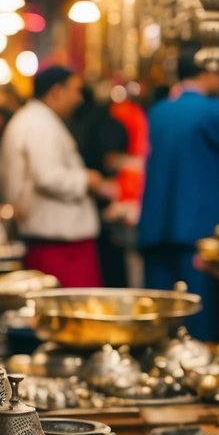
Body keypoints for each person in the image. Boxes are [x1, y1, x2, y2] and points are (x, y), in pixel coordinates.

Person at [139, 46, 219, 341]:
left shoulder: (159, 111)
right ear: (207, 72)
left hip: (158, 227)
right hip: (199, 231)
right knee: (199, 324)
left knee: (160, 318)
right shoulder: (215, 110)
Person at [0, 65, 104, 288]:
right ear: (57, 91)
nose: (80, 99)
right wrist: (88, 180)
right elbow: (48, 177)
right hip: (58, 244)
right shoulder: (39, 123)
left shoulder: (35, 119)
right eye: (76, 90)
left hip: (56, 240)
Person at [69, 86, 130, 288]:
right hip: (100, 197)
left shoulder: (72, 124)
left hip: (83, 201)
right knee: (112, 265)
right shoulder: (109, 123)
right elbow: (114, 159)